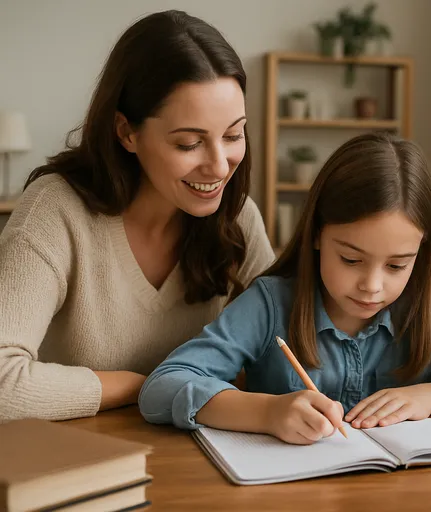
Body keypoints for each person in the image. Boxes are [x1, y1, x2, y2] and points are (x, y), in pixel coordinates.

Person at [138, 132, 431, 445]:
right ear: (316, 235)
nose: (372, 286)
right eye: (351, 259)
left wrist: (429, 398)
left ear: (422, 251)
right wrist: (267, 413)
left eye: (398, 264)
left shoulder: (428, 308)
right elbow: (162, 386)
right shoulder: (271, 304)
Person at [0, 10, 274, 423]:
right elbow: (4, 383)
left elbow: (291, 343)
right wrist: (148, 385)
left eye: (233, 135)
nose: (220, 166)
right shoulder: (54, 210)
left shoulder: (237, 217)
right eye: (189, 143)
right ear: (127, 132)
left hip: (205, 463)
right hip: (82, 467)